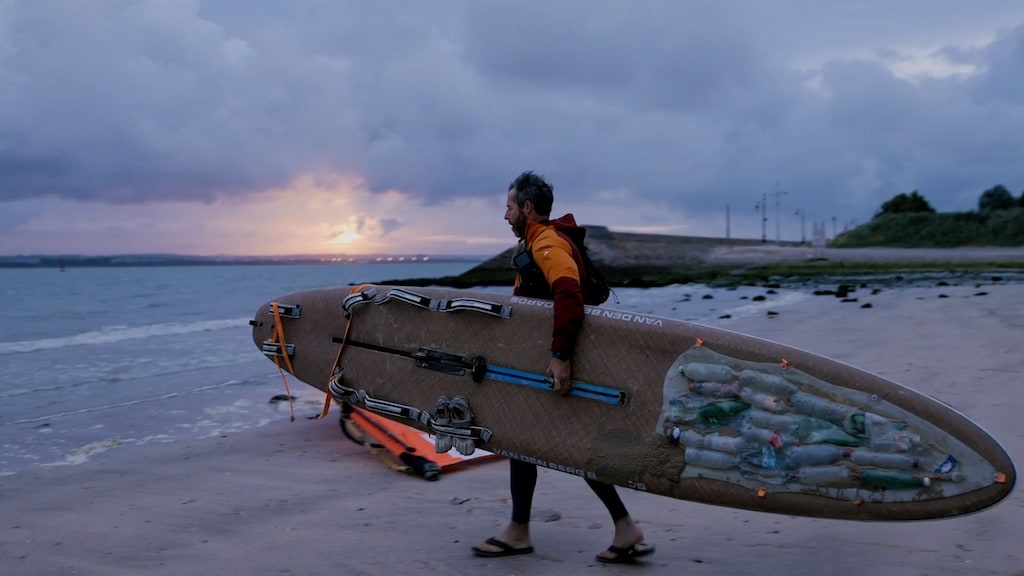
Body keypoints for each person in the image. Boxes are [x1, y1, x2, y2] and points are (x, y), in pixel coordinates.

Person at [472, 171, 655, 564]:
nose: (504, 216)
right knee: (539, 444)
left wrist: (560, 357)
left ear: (527, 208)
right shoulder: (540, 241)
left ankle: (526, 531)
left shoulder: (549, 242)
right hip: (543, 365)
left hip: (557, 365)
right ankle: (621, 528)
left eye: (508, 207)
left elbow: (568, 294)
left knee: (544, 443)